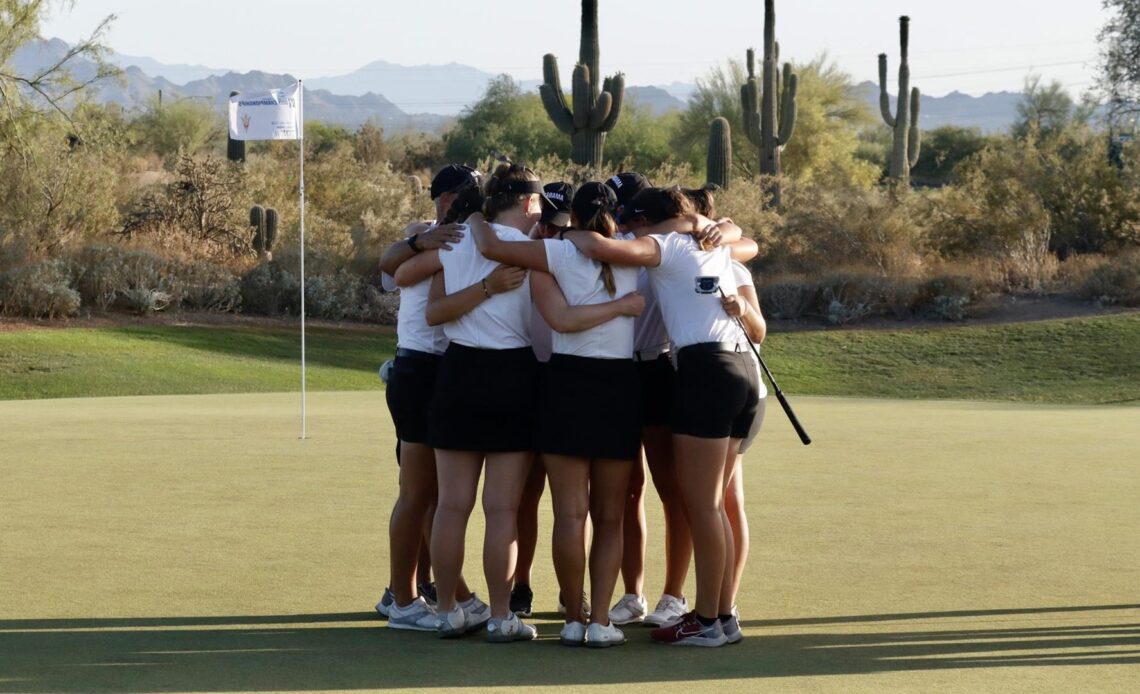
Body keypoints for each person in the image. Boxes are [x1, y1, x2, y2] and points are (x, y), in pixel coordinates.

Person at [564, 187, 760, 647]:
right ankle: (722, 616)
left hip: (704, 372)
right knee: (712, 505)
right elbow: (735, 234)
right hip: (740, 370)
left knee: (705, 506)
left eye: (635, 220)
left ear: (653, 221)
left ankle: (707, 621)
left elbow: (600, 247)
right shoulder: (711, 243)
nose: (630, 227)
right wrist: (697, 224)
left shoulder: (668, 245)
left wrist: (570, 232)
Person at [466, 181, 646, 647]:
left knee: (571, 514)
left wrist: (475, 212)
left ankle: (572, 619)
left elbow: (490, 245)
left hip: (566, 384)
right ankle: (600, 621)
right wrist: (623, 305)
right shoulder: (631, 249)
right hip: (617, 387)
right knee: (609, 517)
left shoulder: (556, 250)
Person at [374, 164, 491, 631]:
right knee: (418, 493)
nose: (472, 199)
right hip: (419, 367)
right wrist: (423, 241)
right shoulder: (431, 235)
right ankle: (402, 600)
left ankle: (442, 592)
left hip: (441, 370)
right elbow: (393, 270)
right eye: (464, 193)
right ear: (443, 199)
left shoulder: (467, 235)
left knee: (434, 493)